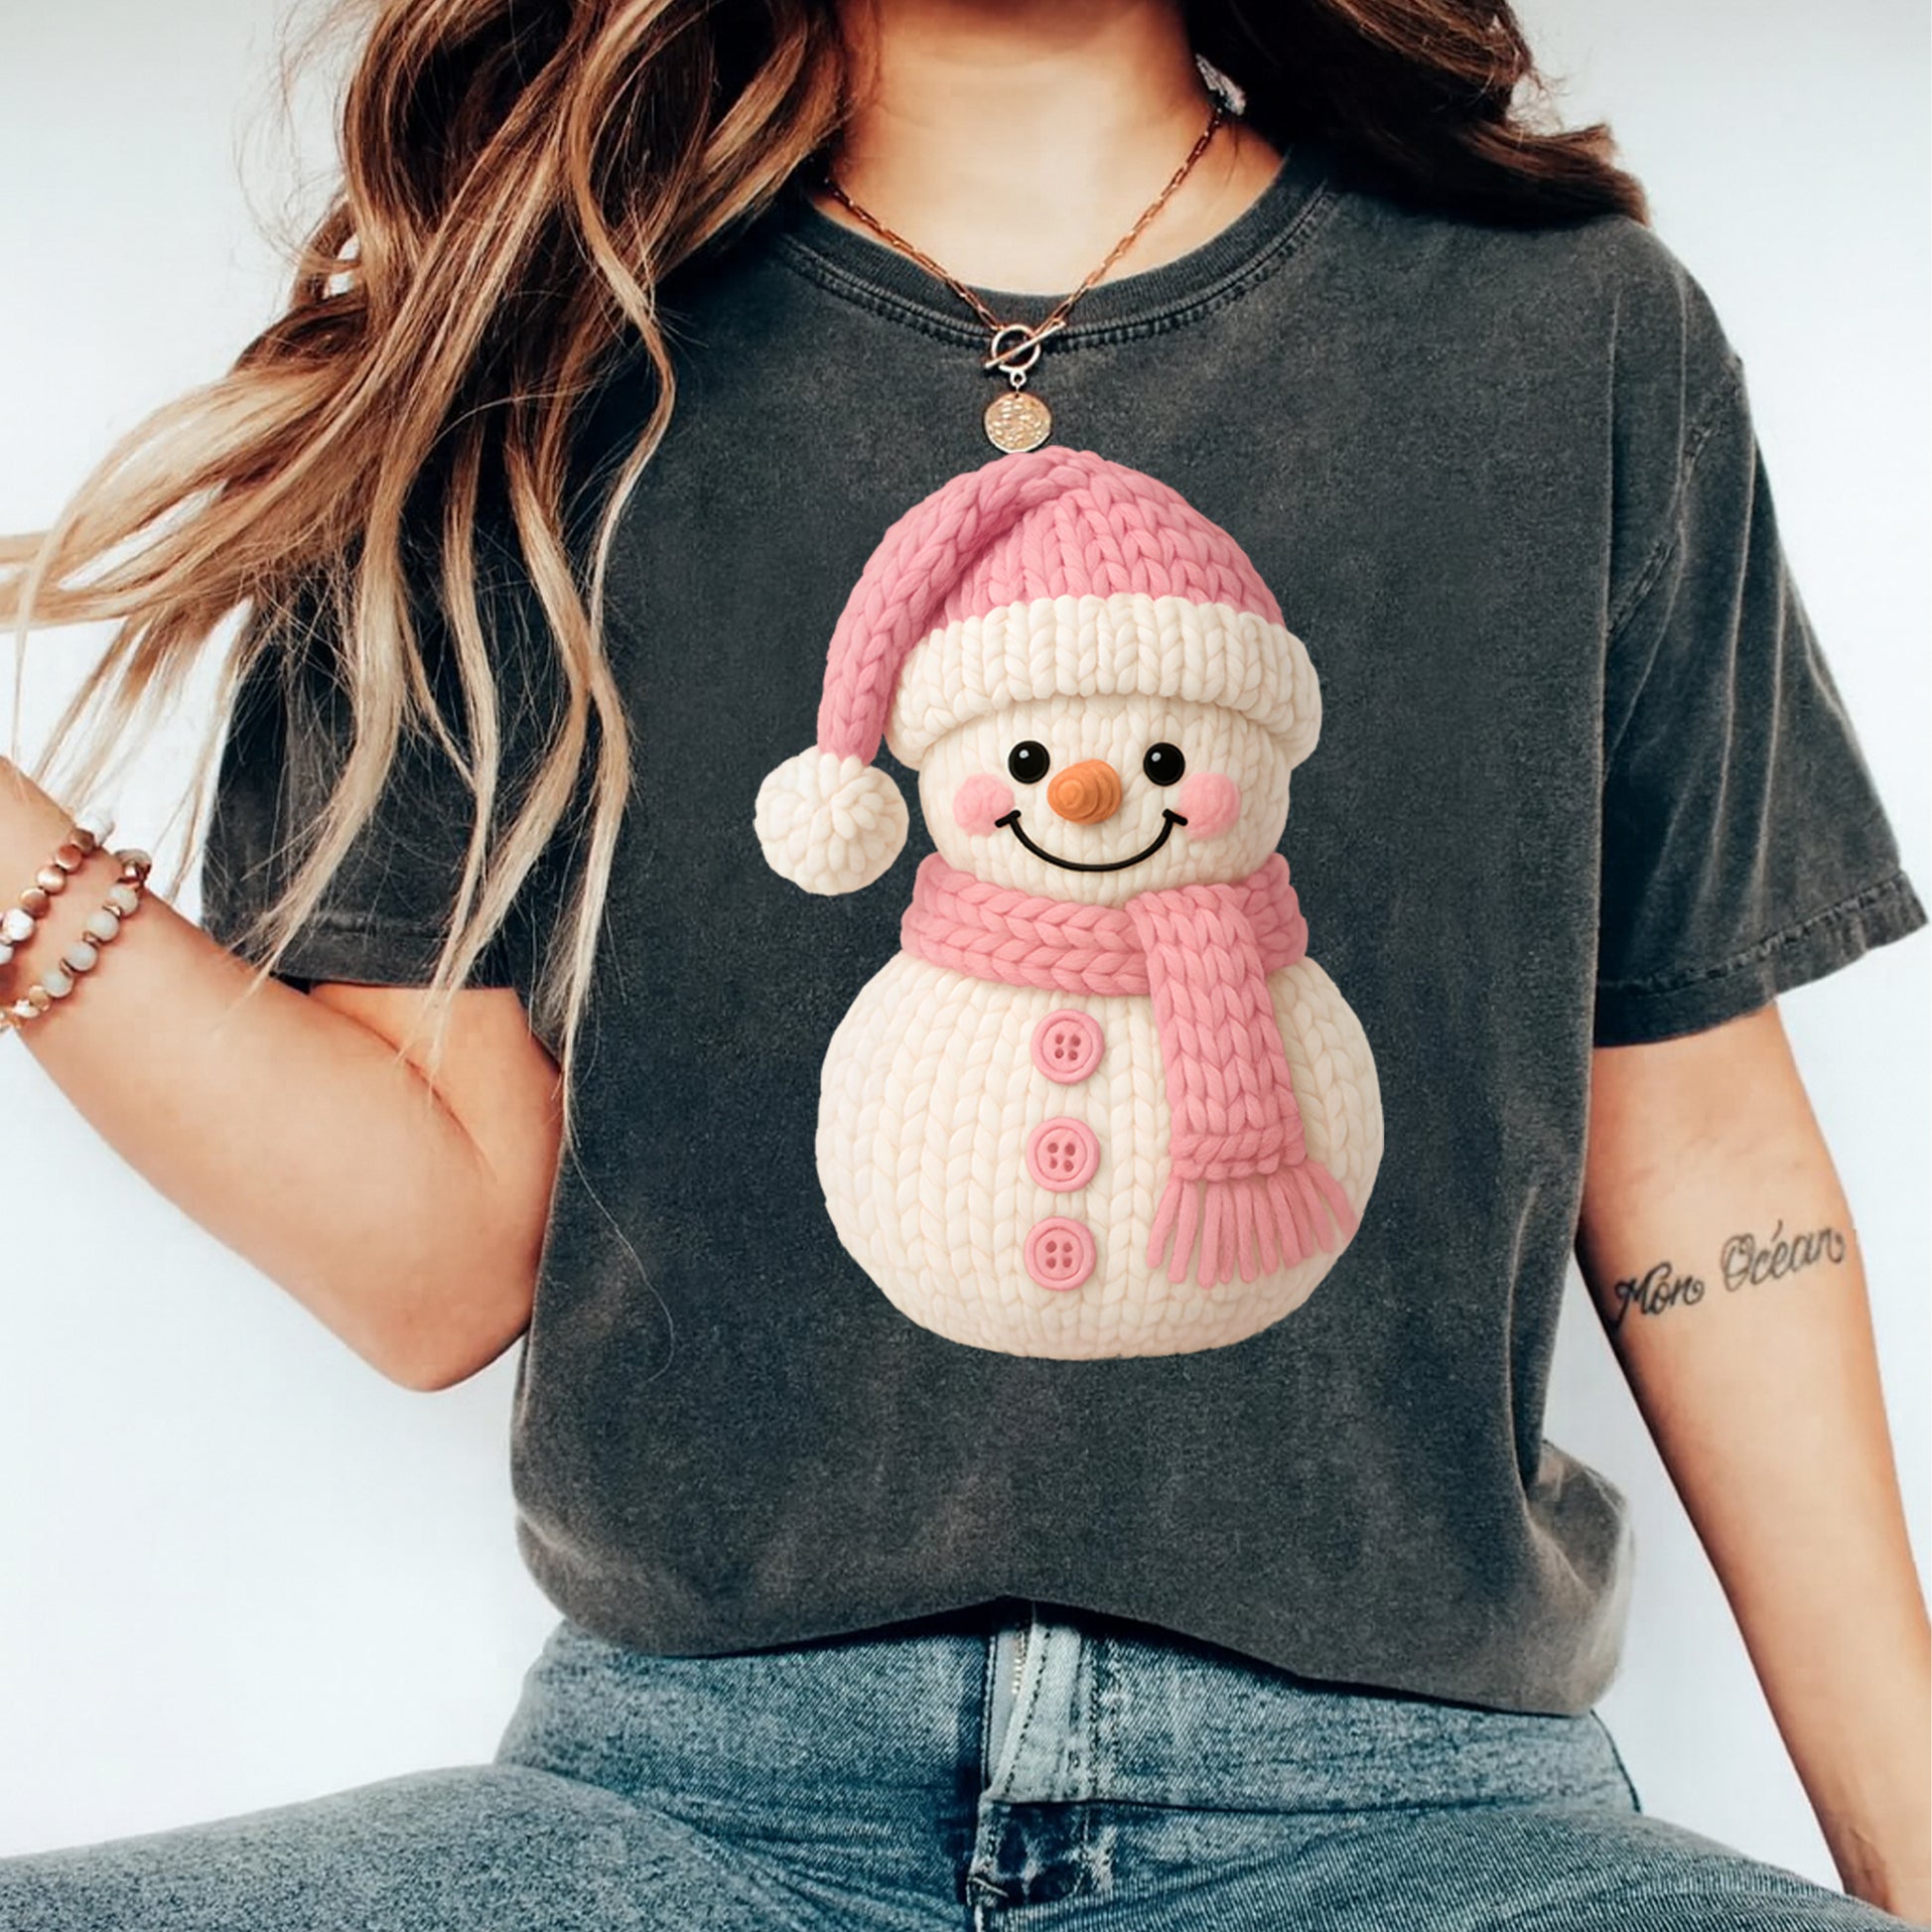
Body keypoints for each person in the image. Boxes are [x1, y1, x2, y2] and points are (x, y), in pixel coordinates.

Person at [1, 0, 1926, 1926]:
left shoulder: (1571, 336)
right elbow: (433, 1263)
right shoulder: (521, 367)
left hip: (1416, 1820)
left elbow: (1702, 1165)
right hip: (692, 1813)